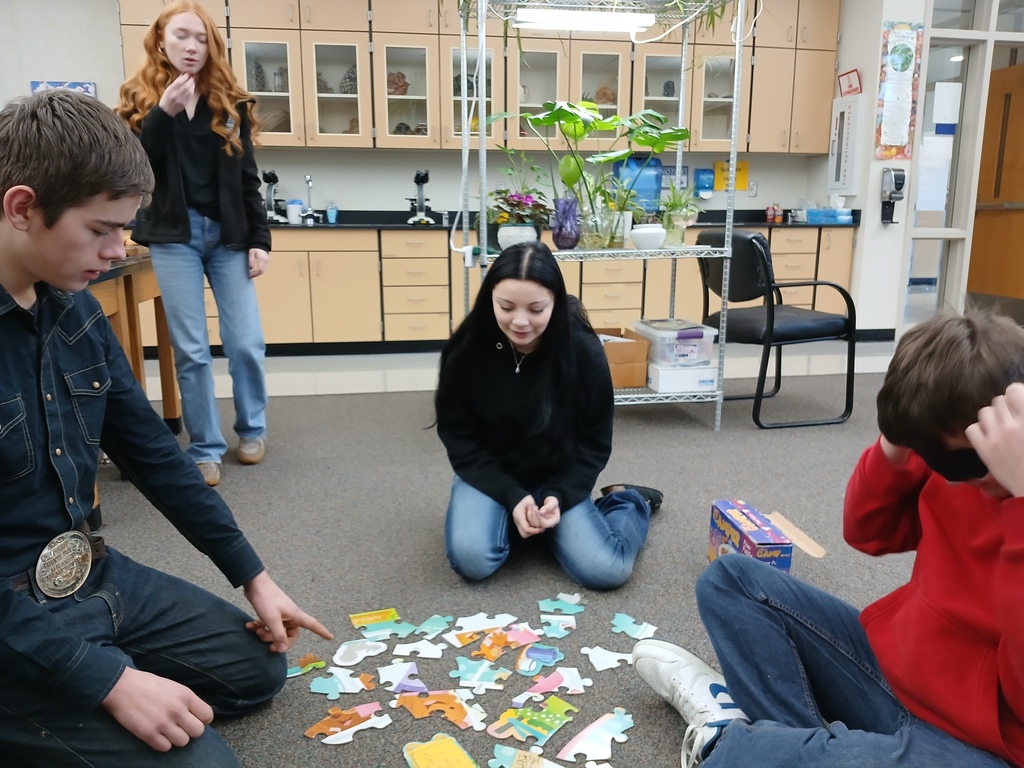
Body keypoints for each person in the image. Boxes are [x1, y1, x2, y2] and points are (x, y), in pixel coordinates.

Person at [0, 89, 332, 766]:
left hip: (83, 578)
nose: (120, 250)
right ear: (22, 208)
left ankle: (85, 674)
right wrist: (108, 680)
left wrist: (254, 576)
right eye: (101, 229)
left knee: (257, 670)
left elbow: (157, 458)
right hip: (11, 614)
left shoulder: (77, 312)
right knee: (206, 762)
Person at [631, 308, 1024, 768]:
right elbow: (866, 532)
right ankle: (789, 745)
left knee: (739, 757)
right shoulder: (948, 457)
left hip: (985, 746)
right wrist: (894, 448)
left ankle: (744, 742)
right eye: (931, 454)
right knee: (730, 581)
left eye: (957, 463)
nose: (949, 477)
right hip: (896, 680)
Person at [434, 241, 662, 590]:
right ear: (489, 299)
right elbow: (460, 439)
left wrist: (559, 493)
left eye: (536, 309)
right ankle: (523, 519)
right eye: (506, 307)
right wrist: (512, 495)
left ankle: (629, 499)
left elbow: (593, 444)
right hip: (490, 474)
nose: (520, 321)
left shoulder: (583, 353)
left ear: (555, 302)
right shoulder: (467, 351)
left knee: (608, 571)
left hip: (557, 475)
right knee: (472, 560)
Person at [116, 0, 271, 487]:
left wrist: (259, 239)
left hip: (227, 237)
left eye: (202, 38)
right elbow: (132, 170)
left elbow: (248, 180)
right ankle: (204, 446)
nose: (193, 47)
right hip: (173, 239)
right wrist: (164, 113)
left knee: (246, 343)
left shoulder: (231, 103)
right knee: (191, 349)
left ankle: (252, 430)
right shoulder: (139, 99)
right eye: (183, 36)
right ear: (161, 40)